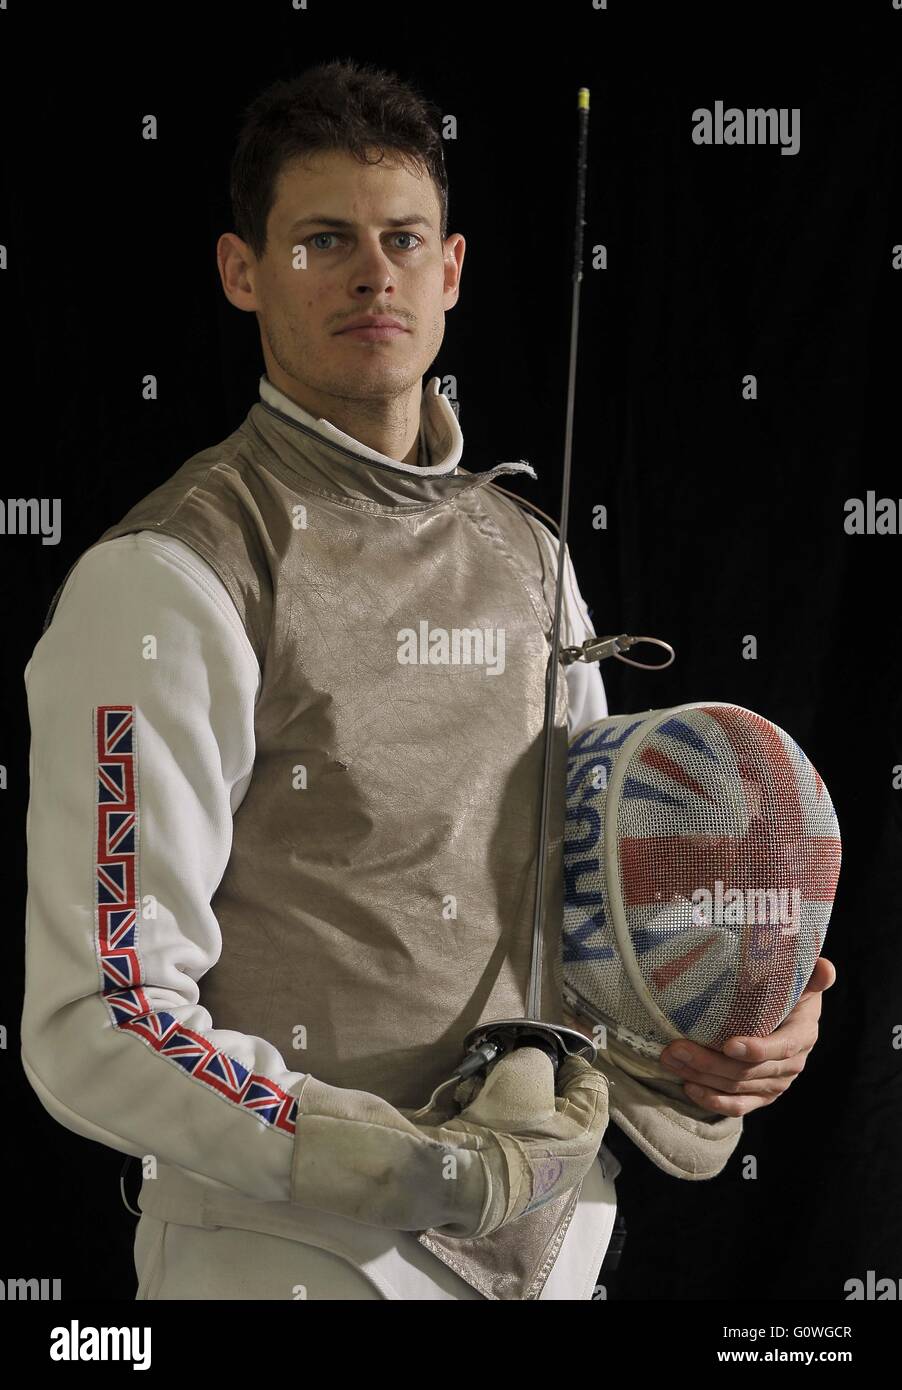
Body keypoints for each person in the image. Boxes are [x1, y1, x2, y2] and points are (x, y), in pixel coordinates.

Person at [20, 59, 832, 1301]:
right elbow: (106, 1017)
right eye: (322, 240)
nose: (371, 271)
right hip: (290, 1260)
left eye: (402, 239)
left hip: (552, 1251)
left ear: (449, 270)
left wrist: (713, 1038)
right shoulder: (174, 576)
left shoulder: (528, 559)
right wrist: (411, 1166)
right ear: (242, 272)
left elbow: (587, 933)